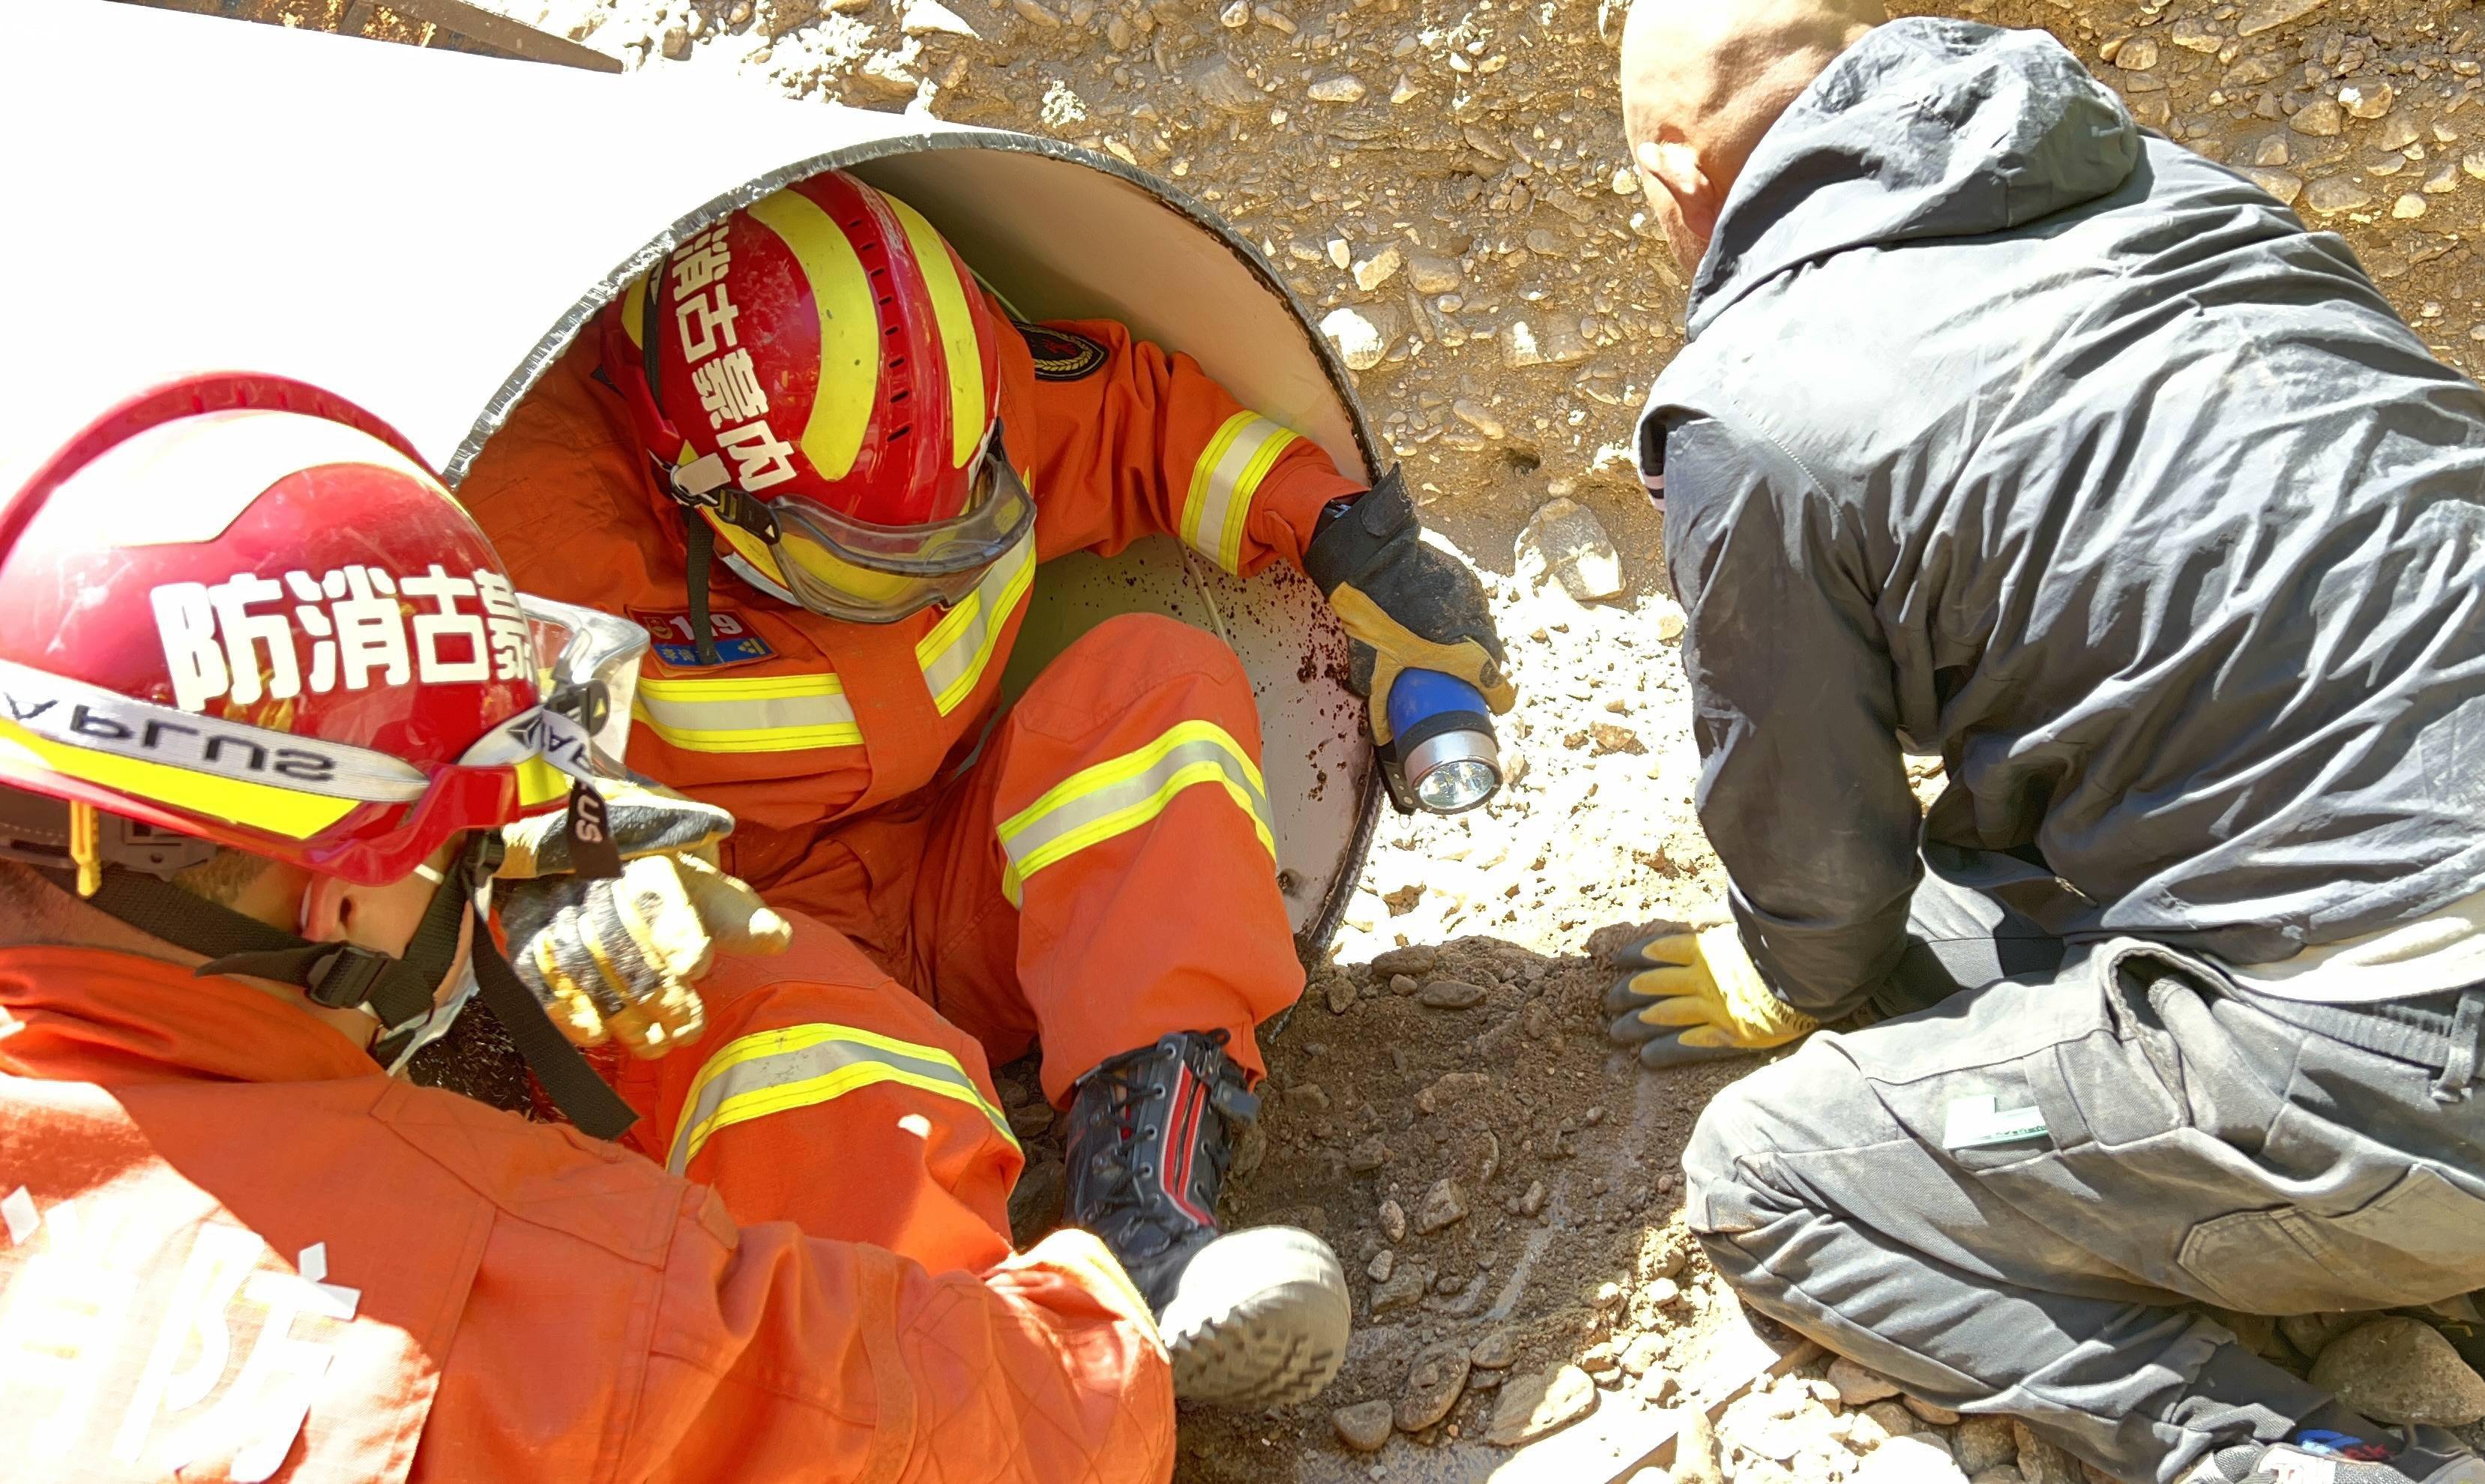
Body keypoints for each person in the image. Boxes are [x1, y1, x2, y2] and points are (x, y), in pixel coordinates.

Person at [1612, 4, 2485, 1483]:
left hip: (2424, 1074)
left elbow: (1822, 876)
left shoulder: (1755, 399)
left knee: (1776, 1171)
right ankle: (2476, 1263)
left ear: (1671, 171)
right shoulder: (2184, 195)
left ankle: (2284, 1452)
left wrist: (1797, 970)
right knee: (1968, 906)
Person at [452, 169, 1513, 1404]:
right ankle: (982, 1374)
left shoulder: (942, 408)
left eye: (969, 519)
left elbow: (1147, 427)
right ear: (701, 495)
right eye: (877, 558)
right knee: (826, 1057)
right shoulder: (524, 538)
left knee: (1156, 686)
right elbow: (453, 781)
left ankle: (1147, 1232)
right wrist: (561, 863)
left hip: (940, 879)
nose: (937, 564)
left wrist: (1347, 539)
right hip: (728, 954)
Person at [0, 375, 1174, 1481]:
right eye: (474, 847)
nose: (492, 871)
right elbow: (1056, 1419)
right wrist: (1119, 1302)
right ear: (343, 905)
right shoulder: (541, 1289)